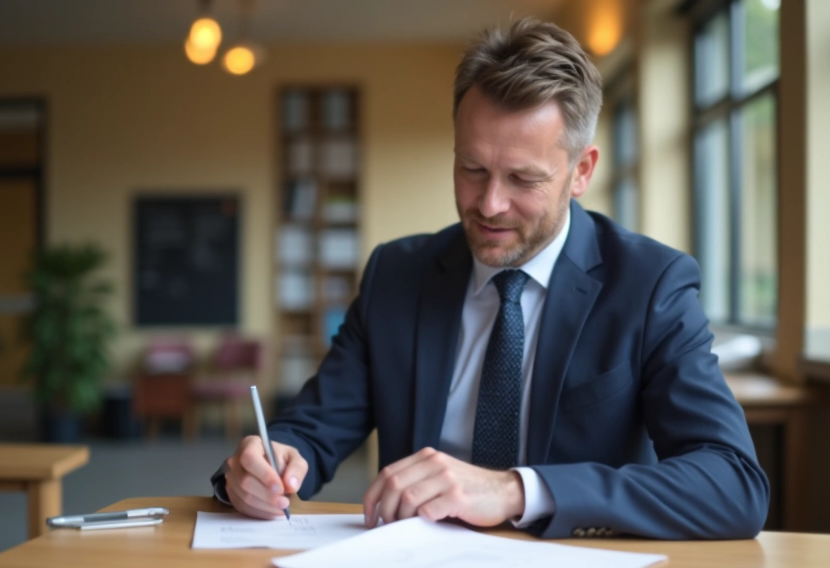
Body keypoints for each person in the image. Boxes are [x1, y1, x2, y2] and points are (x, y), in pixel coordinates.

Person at [212, 17, 769, 540]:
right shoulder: (396, 275)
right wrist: (263, 463)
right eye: (471, 168)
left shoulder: (650, 285)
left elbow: (733, 483)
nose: (489, 203)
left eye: (523, 178)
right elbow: (311, 430)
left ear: (582, 171)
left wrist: (516, 489)